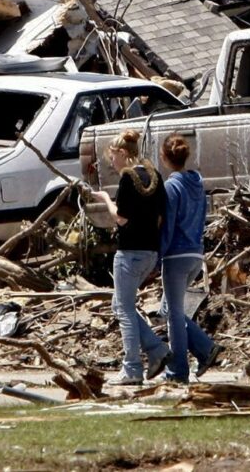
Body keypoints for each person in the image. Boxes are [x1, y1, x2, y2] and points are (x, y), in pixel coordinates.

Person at [92, 129, 170, 386]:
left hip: (129, 252)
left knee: (124, 310)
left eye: (113, 157)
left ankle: (132, 368)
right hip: (150, 251)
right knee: (120, 304)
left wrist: (105, 199)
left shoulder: (127, 177)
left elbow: (121, 218)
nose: (112, 163)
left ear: (123, 153)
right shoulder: (154, 175)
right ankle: (157, 350)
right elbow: (160, 217)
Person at [159, 134, 221, 383]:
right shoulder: (197, 184)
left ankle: (177, 371)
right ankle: (205, 349)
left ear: (164, 157)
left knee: (173, 314)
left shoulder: (171, 187)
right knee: (168, 309)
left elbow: (168, 226)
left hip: (176, 255)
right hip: (196, 253)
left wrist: (157, 257)